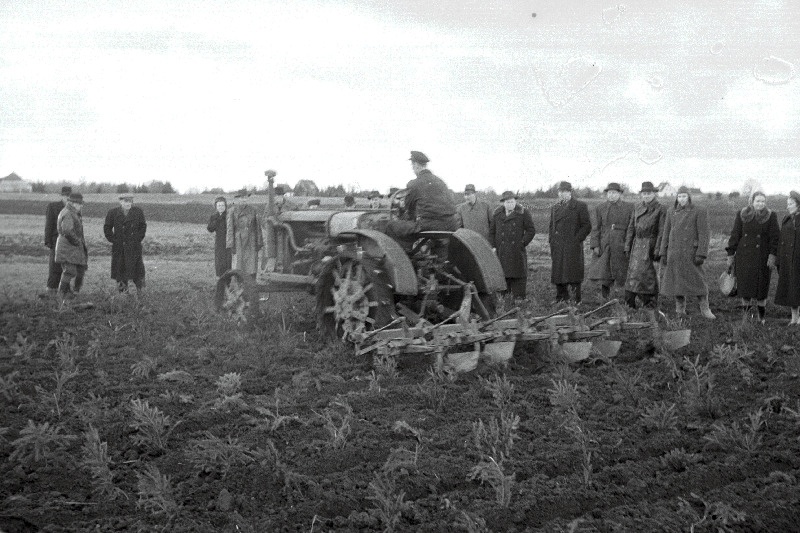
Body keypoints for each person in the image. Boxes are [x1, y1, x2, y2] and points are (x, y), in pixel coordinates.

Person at [659, 186, 715, 319]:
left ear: (689, 197)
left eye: (684, 196)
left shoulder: (699, 211)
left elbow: (704, 233)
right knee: (677, 283)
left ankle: (705, 309)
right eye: (679, 196)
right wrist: (663, 252)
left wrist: (701, 253)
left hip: (691, 253)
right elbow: (666, 232)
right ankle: (680, 309)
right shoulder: (671, 211)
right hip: (675, 253)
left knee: (698, 282)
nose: (681, 199)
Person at [725, 191, 780, 323]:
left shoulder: (771, 216)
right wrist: (730, 254)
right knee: (745, 288)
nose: (760, 204)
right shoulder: (742, 214)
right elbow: (735, 234)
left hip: (762, 258)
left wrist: (772, 255)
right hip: (744, 257)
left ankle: (761, 318)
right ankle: (746, 318)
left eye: (763, 201)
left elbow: (775, 238)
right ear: (752, 201)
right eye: (757, 201)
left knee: (761, 288)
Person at [386, 151, 458, 248]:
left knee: (390, 226)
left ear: (415, 165)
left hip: (430, 225)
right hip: (451, 224)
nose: (412, 169)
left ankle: (405, 256)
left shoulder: (414, 184)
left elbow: (409, 209)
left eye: (412, 166)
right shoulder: (440, 181)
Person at [624, 181, 667, 313]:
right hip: (637, 245)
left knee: (649, 276)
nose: (646, 196)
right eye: (644, 193)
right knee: (633, 275)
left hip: (650, 245)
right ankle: (630, 303)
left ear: (654, 194)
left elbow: (662, 231)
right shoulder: (637, 207)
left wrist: (658, 249)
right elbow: (631, 227)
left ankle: (649, 303)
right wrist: (627, 245)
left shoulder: (661, 209)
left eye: (649, 193)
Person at [588, 182, 634, 299]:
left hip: (622, 243)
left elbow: (632, 227)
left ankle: (624, 298)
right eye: (609, 193)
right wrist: (595, 245)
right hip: (605, 244)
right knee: (605, 272)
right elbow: (596, 228)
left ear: (619, 194)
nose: (611, 195)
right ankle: (605, 298)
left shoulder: (629, 207)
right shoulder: (600, 208)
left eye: (614, 193)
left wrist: (629, 245)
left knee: (623, 271)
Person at [549, 181, 591, 304]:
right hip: (557, 245)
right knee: (558, 272)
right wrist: (551, 241)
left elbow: (586, 226)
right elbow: (551, 226)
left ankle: (575, 299)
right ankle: (561, 298)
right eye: (560, 191)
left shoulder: (580, 206)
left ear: (570, 192)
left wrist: (576, 240)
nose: (562, 194)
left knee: (573, 273)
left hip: (572, 246)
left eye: (565, 191)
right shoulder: (555, 207)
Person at [489, 191, 536, 300]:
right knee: (502, 276)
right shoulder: (497, 214)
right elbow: (492, 232)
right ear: (503, 203)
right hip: (501, 251)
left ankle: (519, 300)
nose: (510, 204)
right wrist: (493, 246)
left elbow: (531, 230)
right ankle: (503, 301)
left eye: (512, 202)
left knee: (518, 275)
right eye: (508, 202)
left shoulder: (523, 213)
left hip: (517, 251)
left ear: (515, 202)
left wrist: (523, 243)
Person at [104, 194, 147, 294]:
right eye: (126, 201)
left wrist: (137, 239)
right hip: (119, 248)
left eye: (130, 201)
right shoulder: (113, 213)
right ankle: (123, 293)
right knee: (120, 271)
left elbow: (143, 226)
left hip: (134, 247)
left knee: (137, 271)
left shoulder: (138, 212)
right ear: (120, 202)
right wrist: (114, 240)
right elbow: (107, 228)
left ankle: (140, 292)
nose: (128, 203)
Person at [55, 193, 87, 302]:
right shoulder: (68, 213)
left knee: (75, 270)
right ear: (72, 203)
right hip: (68, 247)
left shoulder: (71, 211)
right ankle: (61, 294)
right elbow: (67, 230)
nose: (81, 206)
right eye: (79, 204)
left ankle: (67, 293)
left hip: (69, 247)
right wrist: (77, 242)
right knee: (69, 271)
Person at [775, 190, 800, 325]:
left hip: (798, 260)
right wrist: (779, 259)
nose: (788, 206)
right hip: (788, 260)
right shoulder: (787, 219)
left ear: (798, 205)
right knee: (791, 289)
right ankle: (794, 318)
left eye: (790, 204)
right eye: (787, 203)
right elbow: (781, 240)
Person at [42, 186, 72, 298]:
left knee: (67, 266)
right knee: (54, 265)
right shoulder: (53, 206)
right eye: (66, 195)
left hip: (69, 242)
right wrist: (48, 241)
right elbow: (48, 224)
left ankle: (65, 289)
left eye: (70, 196)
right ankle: (51, 289)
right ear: (62, 196)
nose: (68, 198)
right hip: (56, 241)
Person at [227, 188, 263, 279]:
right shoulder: (232, 211)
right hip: (238, 241)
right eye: (242, 198)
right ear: (238, 199)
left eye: (245, 197)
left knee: (252, 265)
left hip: (251, 240)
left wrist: (259, 242)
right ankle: (238, 284)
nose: (244, 199)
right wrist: (231, 244)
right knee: (239, 264)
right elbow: (230, 228)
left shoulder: (253, 210)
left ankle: (251, 284)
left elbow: (258, 227)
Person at [207, 196, 232, 278]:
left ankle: (229, 280)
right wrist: (217, 219)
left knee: (228, 262)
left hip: (228, 242)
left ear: (225, 206)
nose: (221, 207)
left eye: (222, 205)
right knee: (219, 262)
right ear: (216, 207)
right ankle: (220, 280)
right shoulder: (214, 217)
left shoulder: (229, 216)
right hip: (219, 242)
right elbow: (210, 229)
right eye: (219, 206)